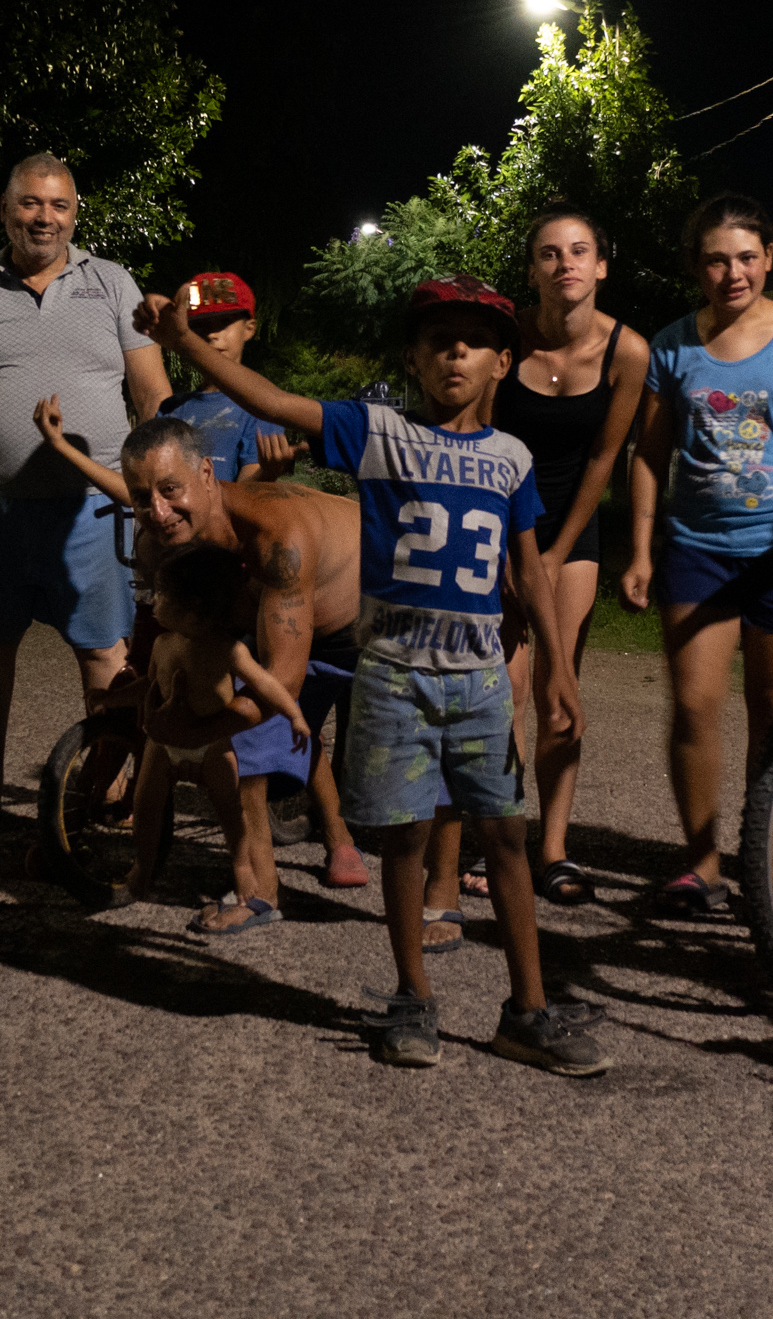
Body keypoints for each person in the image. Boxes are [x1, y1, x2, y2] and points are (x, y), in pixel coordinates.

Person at [144, 276, 607, 1075]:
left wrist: (558, 669)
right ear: (414, 358)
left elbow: (529, 572)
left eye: (472, 341)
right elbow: (281, 402)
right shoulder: (378, 433)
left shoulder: (512, 460)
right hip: (394, 676)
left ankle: (527, 1008)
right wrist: (184, 345)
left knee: (505, 836)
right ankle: (411, 997)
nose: (453, 351)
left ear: (504, 361)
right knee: (404, 837)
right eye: (437, 339)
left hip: (481, 680)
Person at [0, 153, 173, 834]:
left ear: (74, 215)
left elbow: (152, 395)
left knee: (105, 651)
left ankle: (102, 790)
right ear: (5, 209)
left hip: (94, 507)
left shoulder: (112, 284)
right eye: (30, 203)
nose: (43, 217)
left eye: (57, 206)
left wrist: (161, 498)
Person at [31, 398, 371, 922]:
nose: (158, 513)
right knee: (223, 718)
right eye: (144, 500)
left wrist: (190, 733)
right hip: (266, 611)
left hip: (358, 613)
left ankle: (279, 881)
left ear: (207, 475)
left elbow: (278, 683)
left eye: (171, 491)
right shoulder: (160, 538)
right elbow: (170, 648)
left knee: (262, 741)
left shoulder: (276, 539)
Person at [619, 194, 773, 915]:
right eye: (717, 259)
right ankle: (700, 866)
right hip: (697, 552)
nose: (734, 273)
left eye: (747, 257)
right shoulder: (672, 346)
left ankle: (761, 861)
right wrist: (639, 550)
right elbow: (647, 456)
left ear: (770, 258)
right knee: (694, 707)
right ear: (697, 265)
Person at [486, 202, 647, 907]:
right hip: (495, 519)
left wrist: (550, 559)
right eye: (549, 254)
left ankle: (552, 849)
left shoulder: (628, 352)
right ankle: (498, 836)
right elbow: (479, 440)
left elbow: (606, 458)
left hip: (571, 527)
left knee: (556, 693)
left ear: (601, 266)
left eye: (579, 251)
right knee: (500, 691)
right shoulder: (506, 338)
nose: (565, 265)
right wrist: (503, 553)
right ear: (533, 269)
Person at [122, 541, 317, 924]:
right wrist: (109, 699)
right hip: (162, 745)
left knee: (232, 816)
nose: (153, 601)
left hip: (213, 748)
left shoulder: (228, 650)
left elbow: (267, 684)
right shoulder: (162, 643)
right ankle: (142, 868)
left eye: (162, 594)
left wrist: (295, 715)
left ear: (194, 609)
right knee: (145, 808)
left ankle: (243, 867)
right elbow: (146, 686)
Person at [157, 271, 297, 484]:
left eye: (223, 322)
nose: (212, 334)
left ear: (249, 329)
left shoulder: (262, 407)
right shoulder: (169, 408)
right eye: (199, 326)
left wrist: (267, 473)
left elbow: (247, 495)